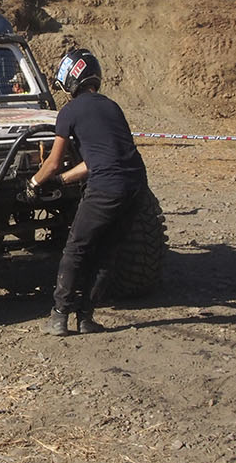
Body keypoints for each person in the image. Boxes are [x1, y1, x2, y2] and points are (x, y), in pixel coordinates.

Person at [27, 48, 148, 337]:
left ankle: (59, 316)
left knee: (76, 249)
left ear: (70, 81)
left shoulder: (68, 112)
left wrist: (34, 184)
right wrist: (65, 180)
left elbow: (53, 162)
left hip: (106, 187)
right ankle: (86, 318)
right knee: (106, 251)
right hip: (136, 185)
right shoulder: (112, 107)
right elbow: (99, 159)